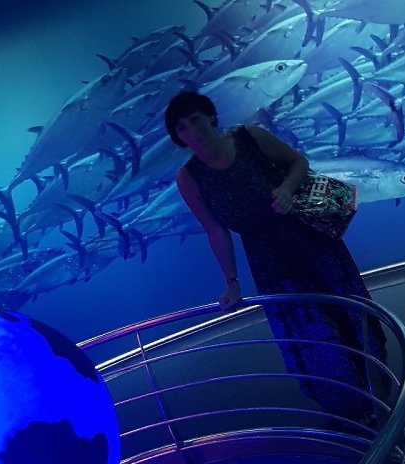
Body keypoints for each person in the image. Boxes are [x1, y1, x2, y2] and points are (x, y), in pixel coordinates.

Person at [164, 90, 388, 423]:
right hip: (271, 265)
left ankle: (382, 394)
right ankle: (349, 411)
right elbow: (215, 231)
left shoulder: (249, 137)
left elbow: (298, 162)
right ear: (177, 136)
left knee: (351, 317)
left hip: (315, 245)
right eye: (181, 127)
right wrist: (231, 281)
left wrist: (287, 188)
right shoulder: (189, 178)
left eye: (195, 119)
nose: (191, 130)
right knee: (311, 336)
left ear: (210, 116)